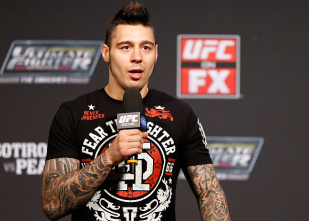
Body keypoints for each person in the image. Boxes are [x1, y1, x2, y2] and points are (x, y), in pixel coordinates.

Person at [41, 2, 231, 221]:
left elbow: (209, 193)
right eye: (125, 47)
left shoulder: (180, 113)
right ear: (106, 53)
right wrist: (109, 158)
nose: (137, 57)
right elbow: (52, 204)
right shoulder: (72, 113)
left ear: (156, 54)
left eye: (146, 47)